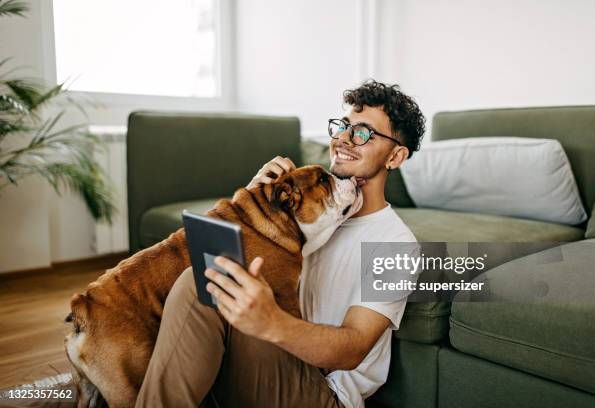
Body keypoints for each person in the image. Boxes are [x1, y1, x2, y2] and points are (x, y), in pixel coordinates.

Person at [135, 79, 426, 408]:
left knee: (201, 285)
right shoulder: (313, 216)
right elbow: (243, 263)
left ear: (395, 156)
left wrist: (271, 322)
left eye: (361, 133)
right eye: (342, 127)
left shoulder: (396, 244)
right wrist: (258, 203)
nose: (343, 139)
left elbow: (353, 347)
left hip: (324, 393)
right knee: (206, 280)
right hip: (271, 358)